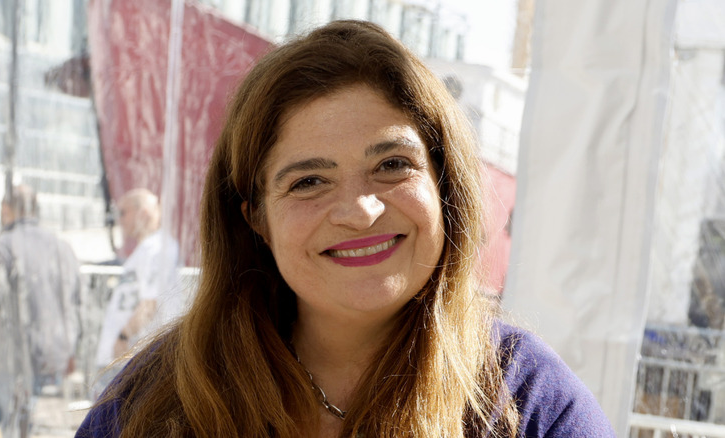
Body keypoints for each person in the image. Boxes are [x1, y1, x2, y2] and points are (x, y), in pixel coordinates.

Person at [76, 20, 615, 437]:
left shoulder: (532, 402)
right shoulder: (155, 399)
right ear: (255, 219)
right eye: (309, 181)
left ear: (444, 185)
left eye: (391, 166)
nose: (360, 211)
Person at [0, 184, 81, 437]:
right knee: (46, 425)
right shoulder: (62, 247)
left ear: (7, 209)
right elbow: (77, 302)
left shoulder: (2, 247)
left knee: (13, 423)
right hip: (56, 355)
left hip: (16, 358)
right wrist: (72, 350)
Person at [92, 189, 180, 396]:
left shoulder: (158, 248)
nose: (119, 220)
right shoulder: (147, 249)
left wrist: (123, 337)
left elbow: (150, 303)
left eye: (123, 213)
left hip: (128, 359)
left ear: (144, 213)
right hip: (124, 358)